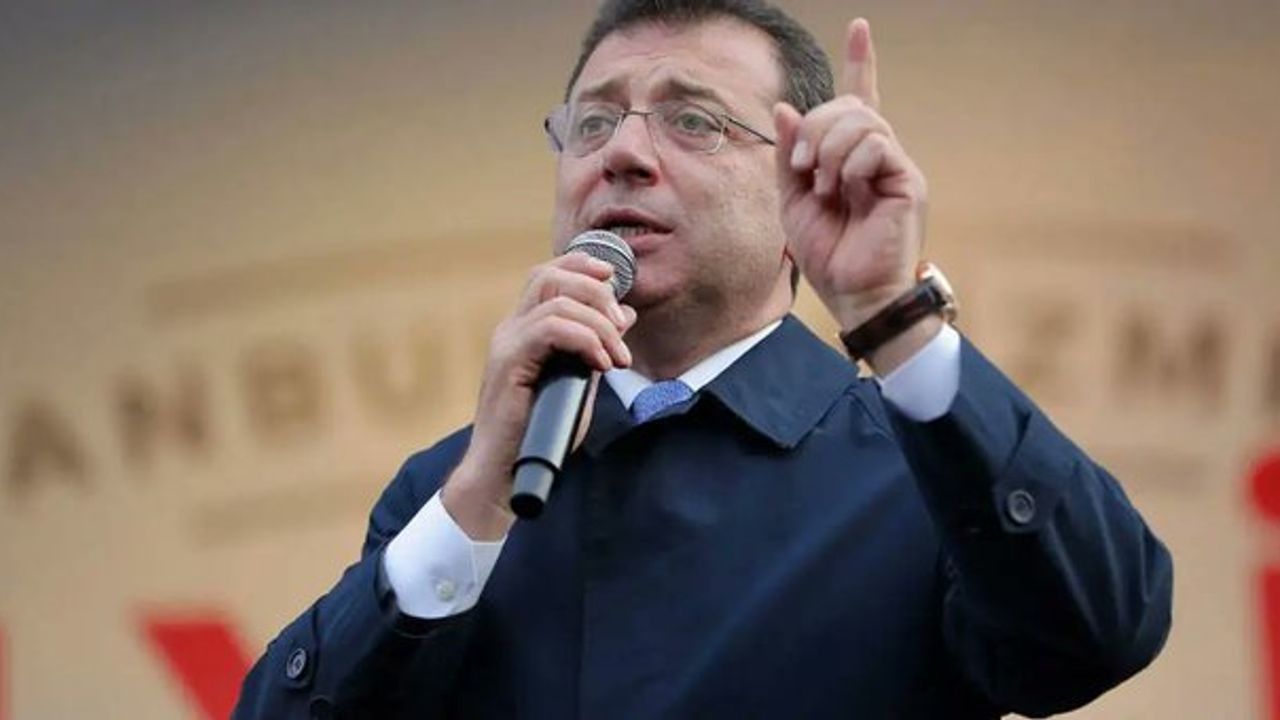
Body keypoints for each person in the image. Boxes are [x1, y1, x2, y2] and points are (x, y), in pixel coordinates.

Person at [234, 1, 1173, 717]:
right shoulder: (450, 489)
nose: (623, 153)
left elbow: (1099, 633)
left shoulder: (924, 471)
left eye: (693, 121)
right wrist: (478, 495)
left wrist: (895, 318)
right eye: (592, 123)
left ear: (804, 184)